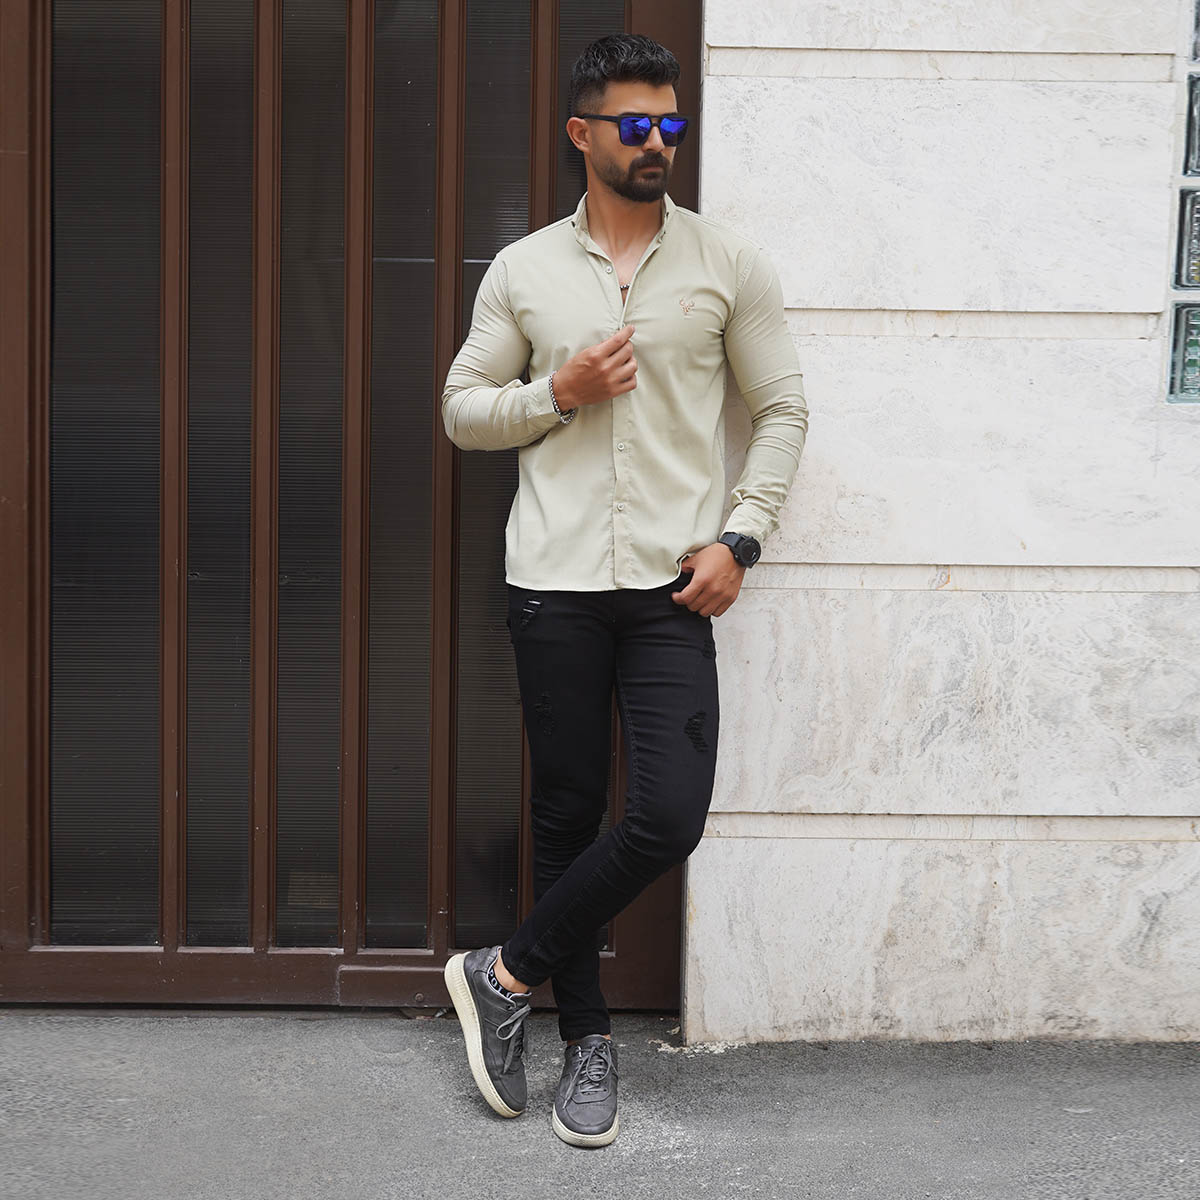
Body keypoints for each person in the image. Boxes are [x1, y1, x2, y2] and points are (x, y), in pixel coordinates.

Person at [440, 31, 808, 1148]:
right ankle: (586, 1043)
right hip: (552, 581)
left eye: (671, 123)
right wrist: (556, 391)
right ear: (581, 133)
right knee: (565, 813)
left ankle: (503, 974)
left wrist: (741, 539)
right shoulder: (523, 269)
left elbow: (782, 410)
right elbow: (462, 410)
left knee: (666, 814)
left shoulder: (727, 263)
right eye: (636, 124)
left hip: (671, 587)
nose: (658, 142)